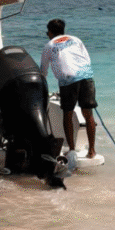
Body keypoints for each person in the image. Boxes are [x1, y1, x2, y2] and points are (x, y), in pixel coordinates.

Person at [40, 19, 99, 158]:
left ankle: (72, 149)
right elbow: (87, 59)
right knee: (88, 114)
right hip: (86, 76)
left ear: (50, 32)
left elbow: (43, 71)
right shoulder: (76, 40)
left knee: (68, 114)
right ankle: (91, 150)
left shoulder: (49, 46)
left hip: (67, 80)